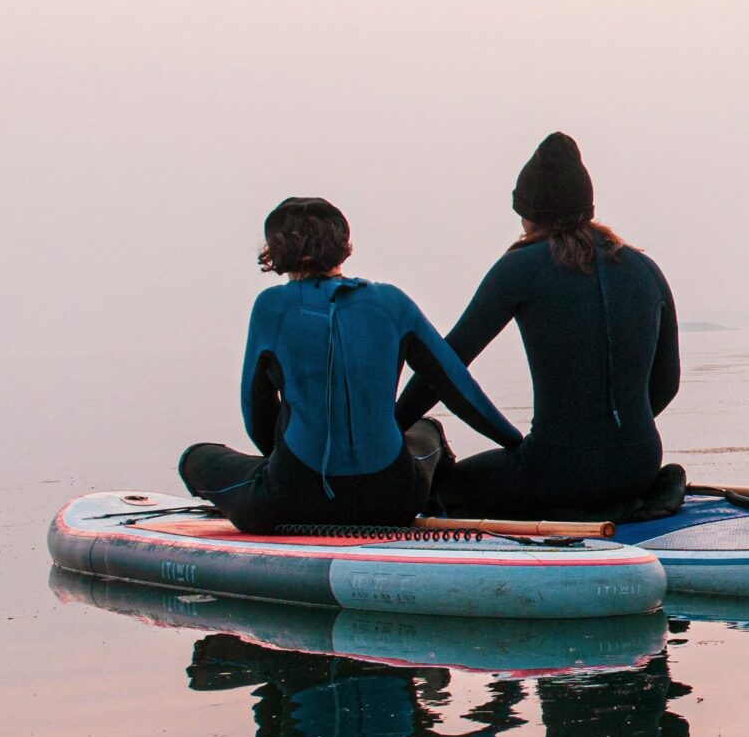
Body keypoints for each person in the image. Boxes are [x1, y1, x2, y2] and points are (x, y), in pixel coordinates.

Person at [179, 196, 528, 533]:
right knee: (428, 430)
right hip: (394, 501)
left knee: (196, 458)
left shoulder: (272, 307)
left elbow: (256, 413)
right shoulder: (391, 302)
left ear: (276, 252)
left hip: (291, 501)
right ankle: (441, 509)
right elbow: (458, 389)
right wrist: (515, 444)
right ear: (344, 244)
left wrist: (285, 466)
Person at [396, 132, 681, 519]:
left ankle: (581, 502)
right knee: (591, 474)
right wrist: (616, 440)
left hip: (556, 472)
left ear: (528, 211)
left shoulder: (522, 266)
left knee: (451, 488)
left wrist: (393, 422)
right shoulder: (645, 269)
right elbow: (667, 384)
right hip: (641, 465)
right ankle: (627, 499)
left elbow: (444, 367)